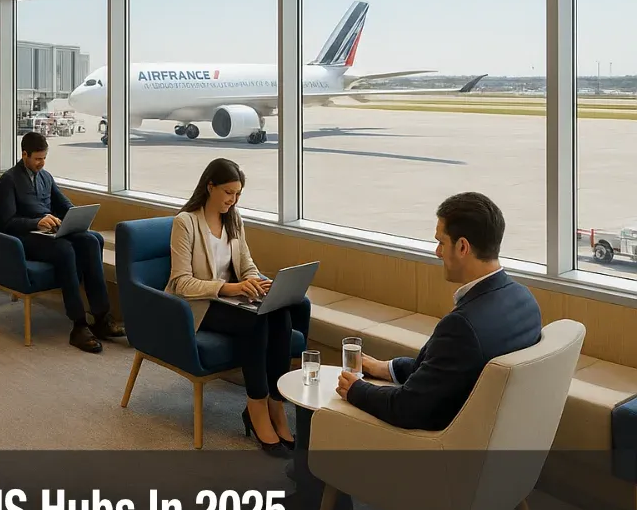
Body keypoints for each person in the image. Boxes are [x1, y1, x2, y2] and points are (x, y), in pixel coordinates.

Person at [337, 192, 542, 430]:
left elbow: (406, 408)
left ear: (462, 246)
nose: (437, 252)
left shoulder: (463, 326)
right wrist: (387, 368)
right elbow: (449, 371)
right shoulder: (525, 301)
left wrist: (356, 389)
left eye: (441, 242)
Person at [166, 158, 308, 456]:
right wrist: (229, 288)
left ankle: (275, 404)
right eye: (228, 193)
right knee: (256, 322)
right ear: (210, 187)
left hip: (232, 300)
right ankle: (256, 408)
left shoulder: (234, 218)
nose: (233, 200)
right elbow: (181, 282)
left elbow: (246, 264)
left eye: (238, 194)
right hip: (200, 305)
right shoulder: (185, 222)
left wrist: (256, 282)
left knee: (280, 313)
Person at [0, 132, 124, 353]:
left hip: (49, 233)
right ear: (24, 155)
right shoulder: (9, 180)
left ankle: (101, 317)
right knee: (65, 249)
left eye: (44, 158)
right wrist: (37, 222)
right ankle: (79, 325)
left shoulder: (46, 177)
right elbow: (6, 223)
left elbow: (64, 205)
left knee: (92, 240)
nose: (42, 163)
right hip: (26, 238)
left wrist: (75, 218)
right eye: (37, 159)